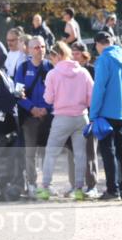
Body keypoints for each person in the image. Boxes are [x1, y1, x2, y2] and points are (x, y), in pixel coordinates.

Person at [36, 41, 93, 200]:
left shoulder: (53, 74)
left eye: (52, 57)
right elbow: (91, 98)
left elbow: (48, 99)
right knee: (80, 155)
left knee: (51, 153)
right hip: (81, 116)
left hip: (61, 117)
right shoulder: (83, 72)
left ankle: (46, 187)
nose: (51, 61)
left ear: (57, 56)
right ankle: (79, 189)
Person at [89, 31, 122, 200]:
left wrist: (93, 114)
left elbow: (99, 88)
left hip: (104, 113)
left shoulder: (103, 60)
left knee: (108, 151)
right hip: (121, 111)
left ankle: (112, 190)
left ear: (97, 44)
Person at [14, 37, 53, 196]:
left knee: (47, 152)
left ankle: (46, 184)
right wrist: (32, 108)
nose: (40, 49)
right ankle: (31, 183)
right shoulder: (22, 68)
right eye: (36, 47)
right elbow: (17, 94)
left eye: (43, 46)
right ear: (29, 50)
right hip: (29, 117)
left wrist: (46, 108)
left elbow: (58, 91)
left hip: (47, 116)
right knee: (30, 153)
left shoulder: (50, 67)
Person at [72, 41, 100, 196]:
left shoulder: (92, 70)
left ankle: (92, 186)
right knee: (74, 153)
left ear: (84, 54)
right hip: (73, 115)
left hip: (89, 115)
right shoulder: (70, 71)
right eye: (72, 53)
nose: (74, 56)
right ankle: (75, 185)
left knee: (90, 151)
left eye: (77, 53)